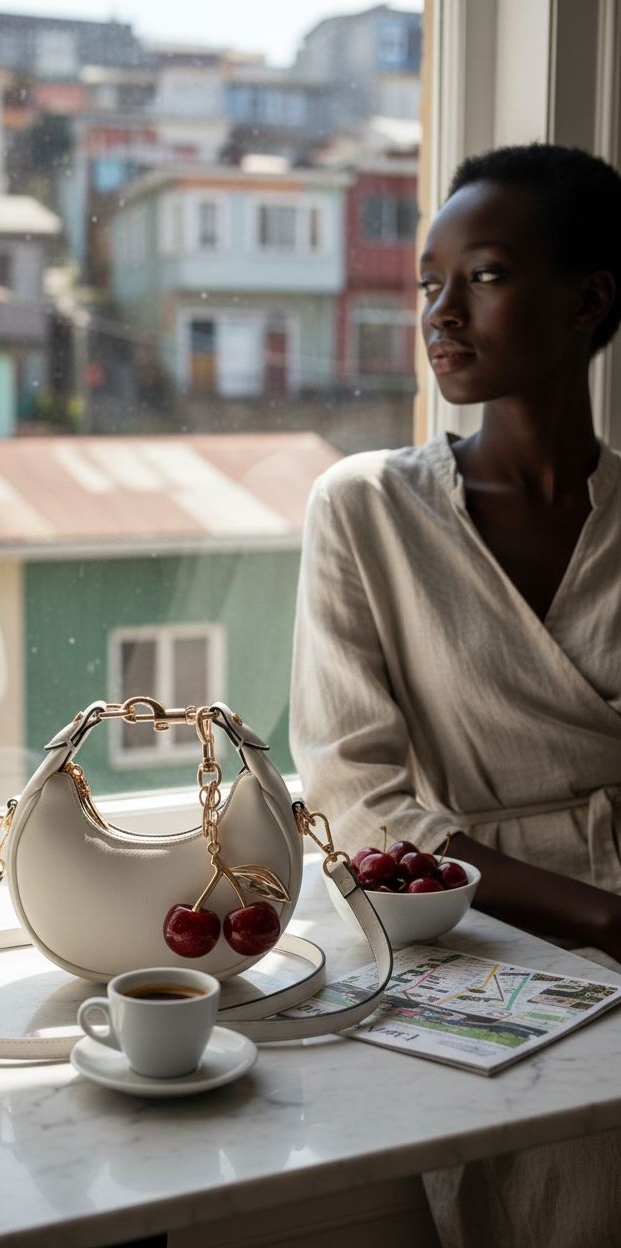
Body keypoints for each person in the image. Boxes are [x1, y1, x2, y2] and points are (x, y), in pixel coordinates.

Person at [289, 143, 621, 1248]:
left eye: (480, 274)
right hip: (482, 934)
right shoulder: (366, 509)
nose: (440, 309)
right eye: (428, 282)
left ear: (587, 299)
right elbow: (357, 807)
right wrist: (601, 918)